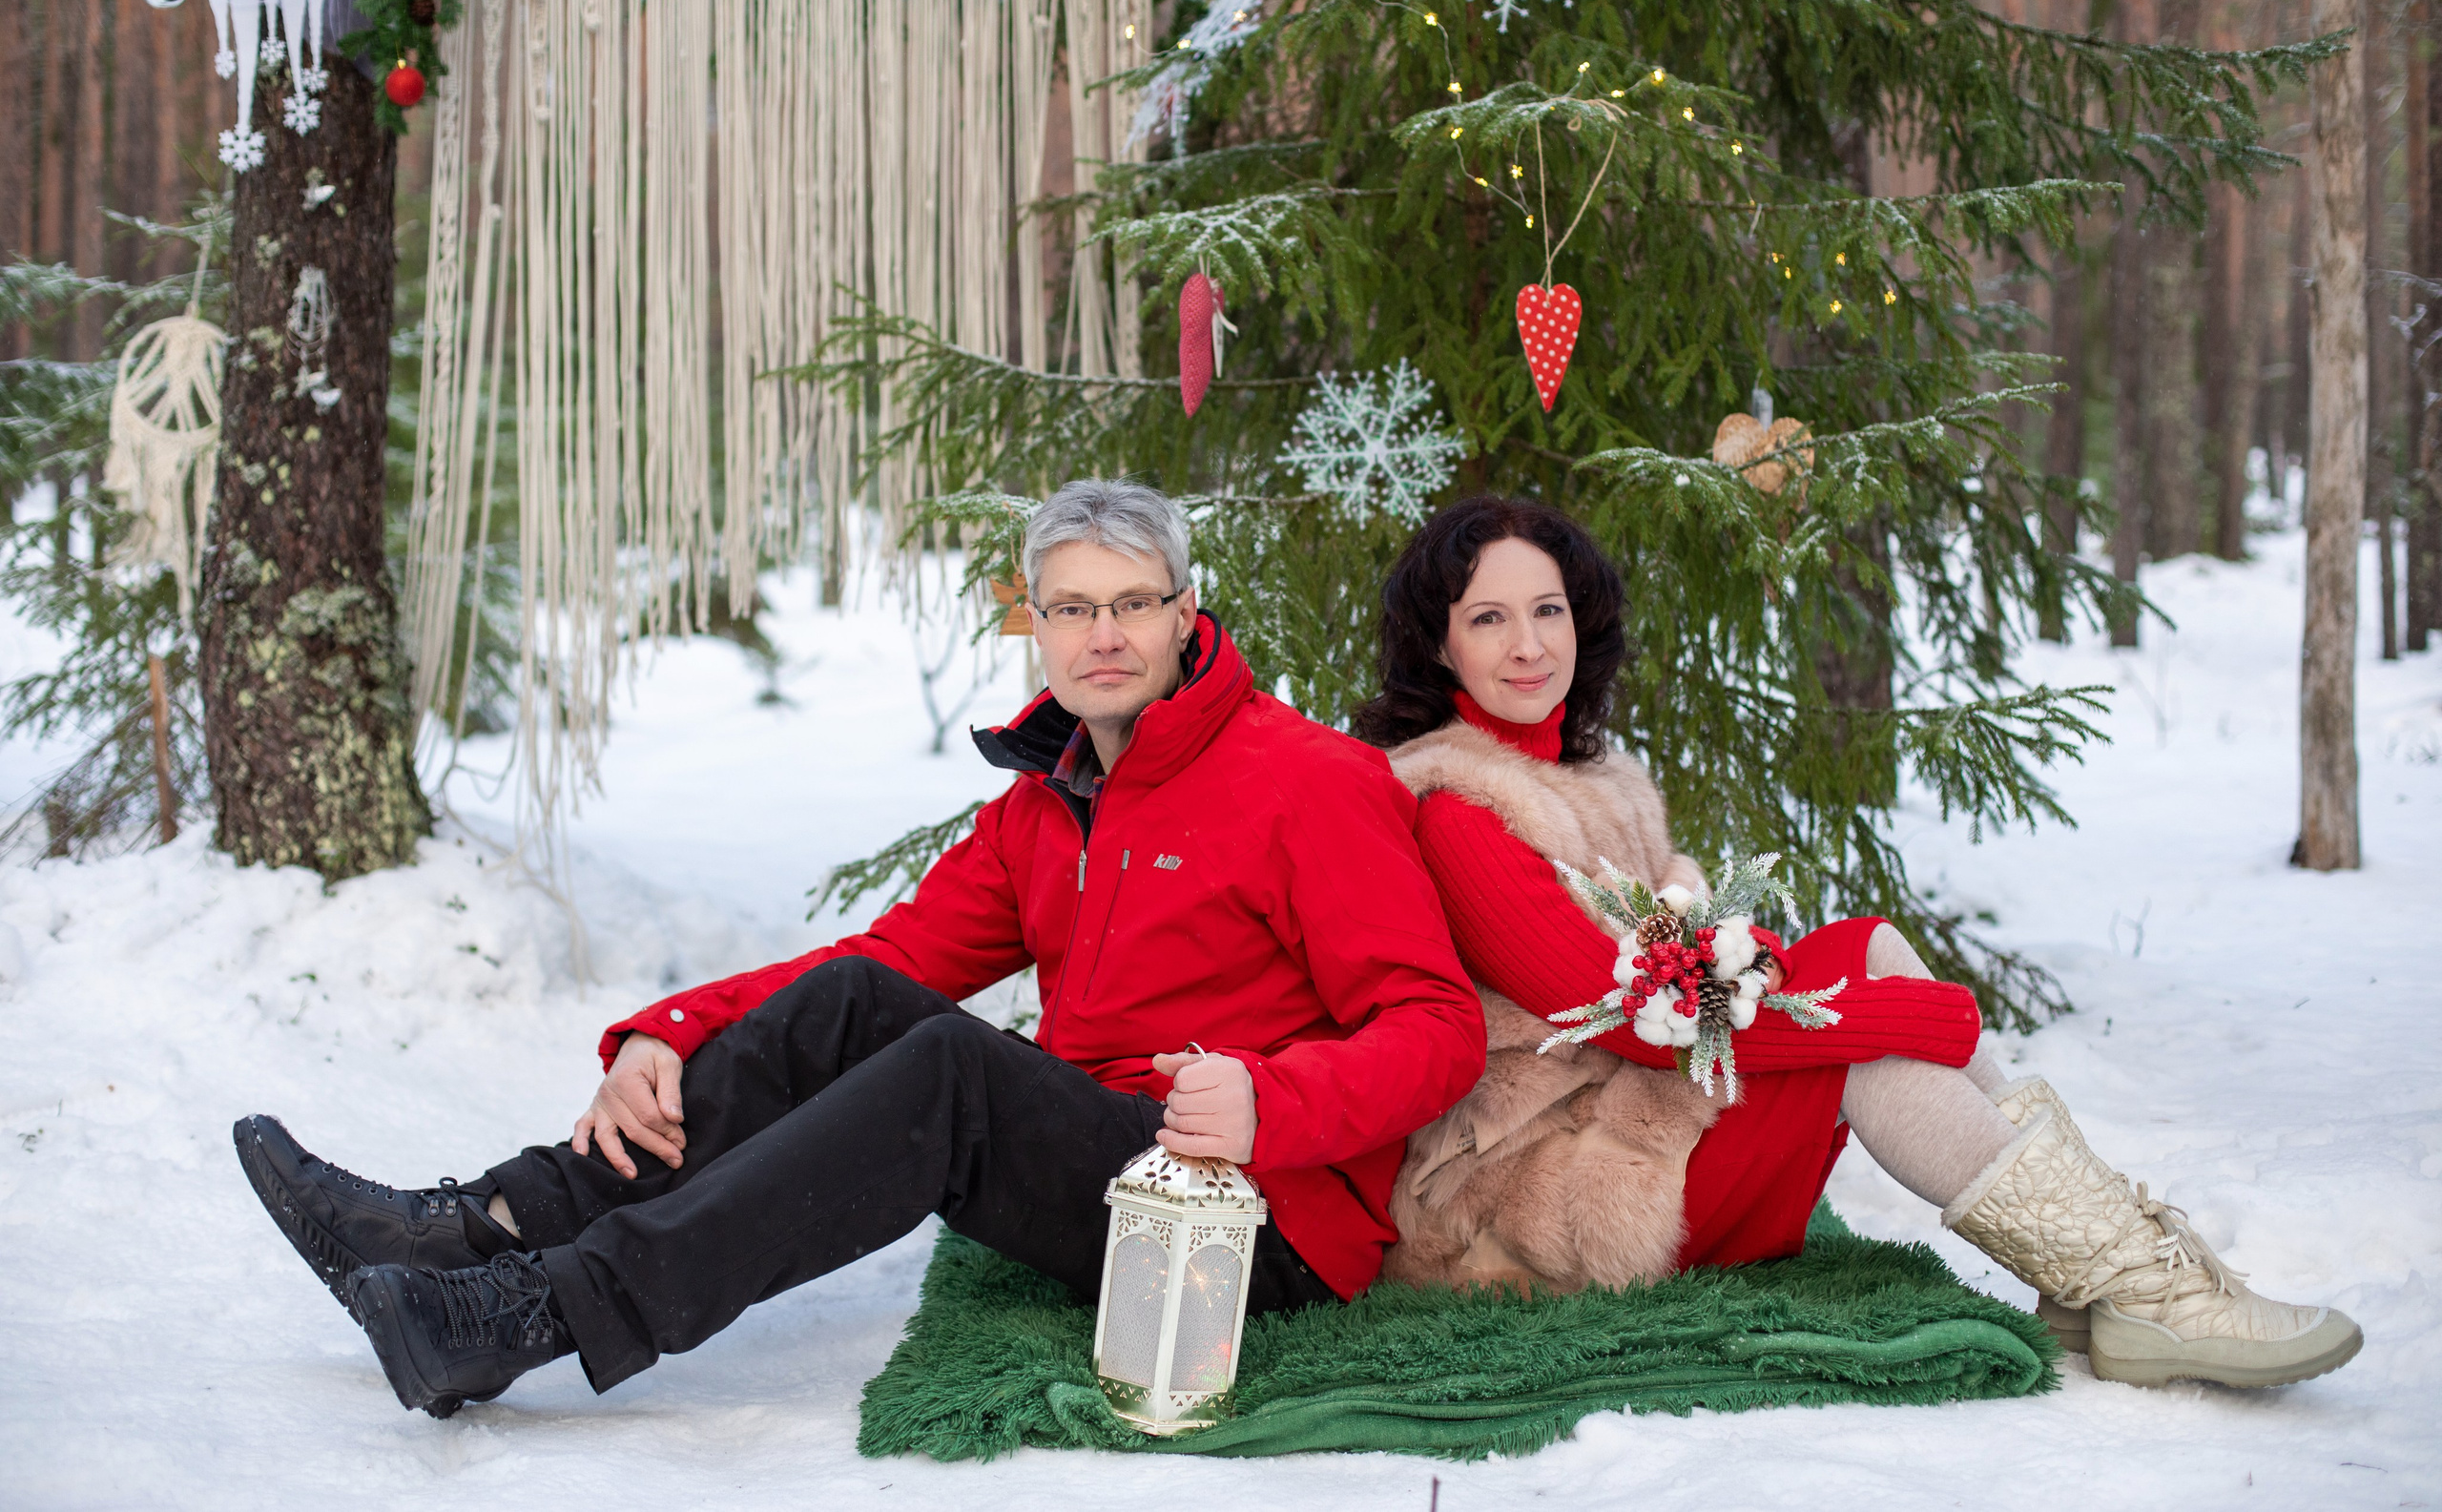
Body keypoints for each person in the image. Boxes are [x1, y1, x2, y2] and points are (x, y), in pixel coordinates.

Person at [236, 479, 1487, 1417]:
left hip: (1253, 1227)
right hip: (1110, 1181)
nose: (1103, 634)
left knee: (953, 1070)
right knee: (864, 1000)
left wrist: (1270, 1095)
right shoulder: (1046, 808)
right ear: (1036, 625)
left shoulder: (1310, 781)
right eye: (1072, 607)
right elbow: (879, 963)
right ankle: (478, 1225)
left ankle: (534, 1312)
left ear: (1184, 613)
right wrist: (664, 1031)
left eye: (1132, 604)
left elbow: (1438, 1024)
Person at [1348, 494, 2362, 1391]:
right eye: (1488, 618)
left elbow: (1686, 973)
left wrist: (1816, 979)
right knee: (1865, 1044)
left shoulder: (1596, 778)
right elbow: (1634, 1019)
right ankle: (2135, 1286)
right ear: (1439, 647)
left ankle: (2105, 1277)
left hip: (1618, 1111)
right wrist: (1895, 1019)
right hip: (1537, 1194)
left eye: (1546, 610)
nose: (1528, 645)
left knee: (1864, 945)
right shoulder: (1459, 809)